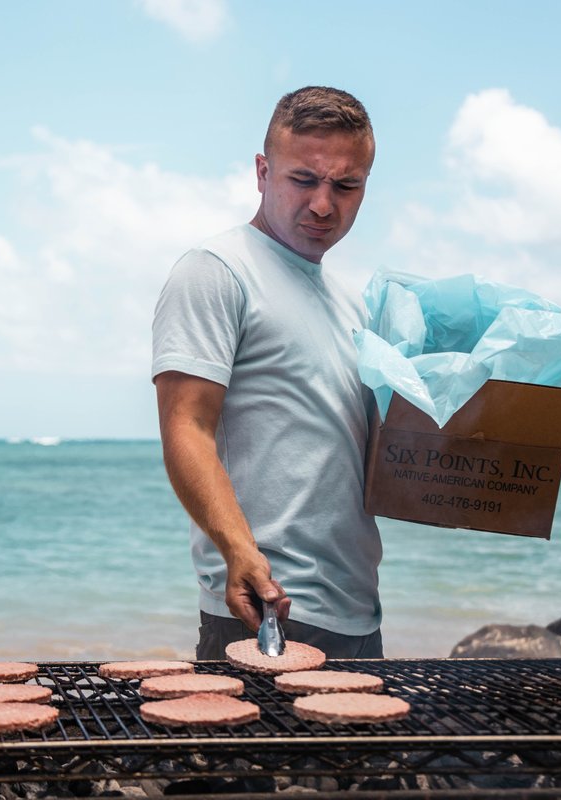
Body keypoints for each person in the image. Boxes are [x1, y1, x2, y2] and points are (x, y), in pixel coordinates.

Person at [151, 86, 384, 660]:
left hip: (357, 610)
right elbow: (186, 429)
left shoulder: (351, 306)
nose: (324, 204)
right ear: (262, 172)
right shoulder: (216, 271)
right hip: (261, 606)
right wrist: (237, 552)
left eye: (346, 185)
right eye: (303, 179)